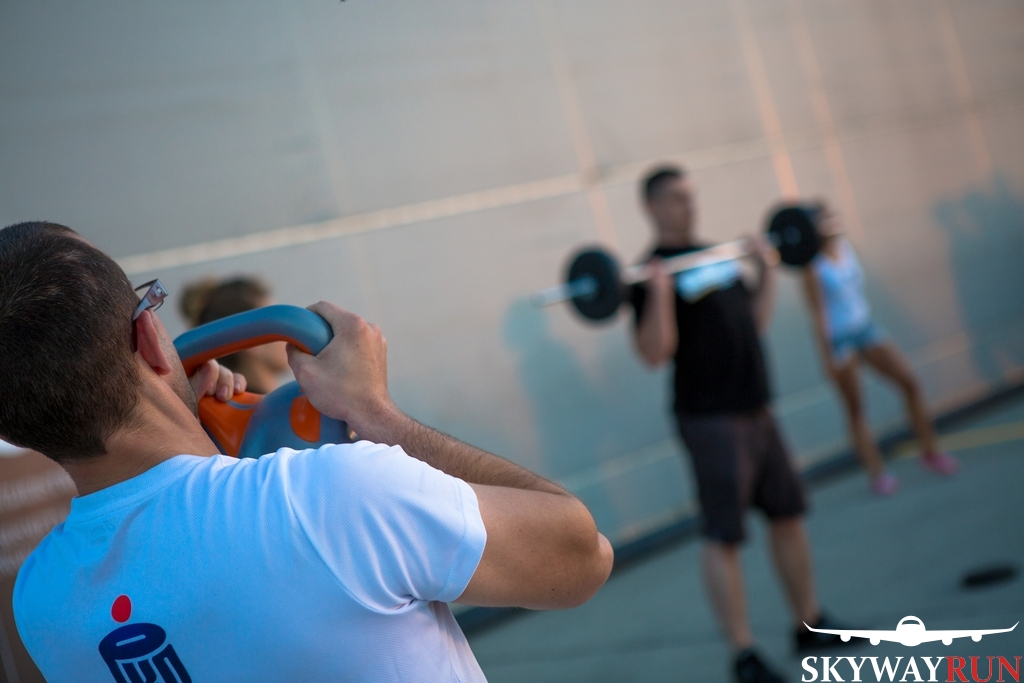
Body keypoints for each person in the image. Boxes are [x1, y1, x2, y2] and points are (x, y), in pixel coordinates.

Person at [0, 222, 614, 682]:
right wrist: (378, 415)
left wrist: (219, 458)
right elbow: (582, 557)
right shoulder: (332, 496)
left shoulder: (38, 604)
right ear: (150, 339)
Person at [630, 167, 855, 683]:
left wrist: (765, 271)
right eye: (676, 198)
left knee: (787, 514)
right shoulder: (647, 275)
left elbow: (753, 321)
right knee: (724, 534)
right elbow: (654, 353)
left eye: (690, 196)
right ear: (652, 207)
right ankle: (743, 654)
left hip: (757, 406)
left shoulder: (717, 255)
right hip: (709, 418)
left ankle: (810, 624)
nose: (688, 205)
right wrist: (661, 294)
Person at [800, 202, 958, 495]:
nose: (832, 223)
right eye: (824, 220)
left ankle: (930, 451)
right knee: (856, 409)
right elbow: (818, 315)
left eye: (833, 217)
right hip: (840, 339)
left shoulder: (846, 248)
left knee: (910, 382)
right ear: (814, 228)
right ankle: (878, 474)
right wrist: (827, 357)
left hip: (865, 328)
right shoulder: (813, 267)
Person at [180, 276, 290, 394]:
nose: (288, 329)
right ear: (253, 339)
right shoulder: (276, 405)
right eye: (277, 322)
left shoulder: (228, 401)